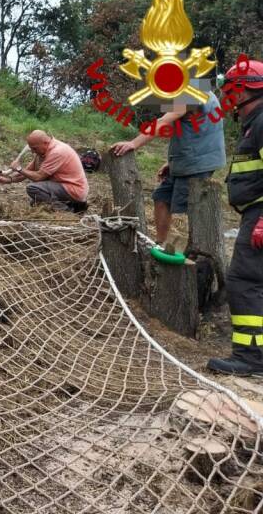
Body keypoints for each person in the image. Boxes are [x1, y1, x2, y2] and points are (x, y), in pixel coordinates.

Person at [207, 59, 263, 377]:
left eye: (230, 92)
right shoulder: (255, 122)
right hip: (254, 212)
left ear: (244, 91)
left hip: (260, 214)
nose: (228, 100)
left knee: (244, 282)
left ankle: (251, 357)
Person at [111, 92, 226, 244]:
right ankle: (160, 244)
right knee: (161, 197)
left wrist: (134, 143)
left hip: (196, 162)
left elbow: (163, 122)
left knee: (190, 210)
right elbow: (189, 127)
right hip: (187, 158)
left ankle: (197, 252)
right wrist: (172, 162)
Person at [0, 130, 89, 212]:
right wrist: (8, 180)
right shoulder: (42, 152)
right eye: (31, 148)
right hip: (63, 186)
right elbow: (26, 173)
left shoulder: (57, 152)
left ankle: (67, 212)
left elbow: (38, 177)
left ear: (45, 142)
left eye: (34, 148)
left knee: (33, 188)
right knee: (35, 202)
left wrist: (19, 168)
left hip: (74, 189)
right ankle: (73, 205)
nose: (32, 151)